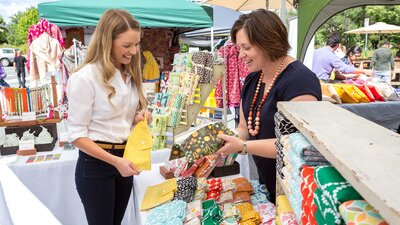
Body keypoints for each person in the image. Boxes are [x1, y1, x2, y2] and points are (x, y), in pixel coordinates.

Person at [215, 9, 322, 203]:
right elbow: (244, 127)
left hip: (295, 187)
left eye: (246, 48)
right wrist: (229, 140)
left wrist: (243, 146)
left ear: (267, 42)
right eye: (239, 48)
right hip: (268, 183)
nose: (240, 55)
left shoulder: (300, 81)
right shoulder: (253, 78)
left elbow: (295, 144)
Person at [67, 9, 151, 225]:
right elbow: (77, 135)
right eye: (127, 45)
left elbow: (117, 119)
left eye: (136, 44)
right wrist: (116, 161)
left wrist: (136, 119)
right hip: (97, 165)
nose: (133, 51)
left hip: (125, 160)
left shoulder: (128, 75)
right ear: (107, 42)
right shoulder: (84, 78)